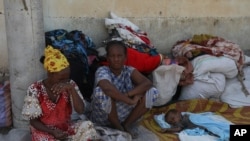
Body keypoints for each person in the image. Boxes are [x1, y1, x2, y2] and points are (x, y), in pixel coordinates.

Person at [22, 45, 99, 141]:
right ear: (50, 73)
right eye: (61, 79)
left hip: (65, 128)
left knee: (87, 126)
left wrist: (72, 89)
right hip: (44, 131)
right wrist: (52, 132)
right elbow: (33, 121)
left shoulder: (70, 84)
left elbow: (80, 110)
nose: (64, 81)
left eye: (67, 78)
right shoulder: (35, 89)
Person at [89, 40, 159, 138]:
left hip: (123, 113)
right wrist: (129, 101)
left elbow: (147, 83)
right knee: (101, 92)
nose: (116, 59)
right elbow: (106, 88)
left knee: (152, 91)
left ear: (125, 58)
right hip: (104, 116)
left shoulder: (129, 70)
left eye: (119, 56)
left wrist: (129, 94)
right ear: (107, 58)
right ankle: (119, 128)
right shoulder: (102, 70)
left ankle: (126, 124)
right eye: (112, 56)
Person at [162, 109, 231, 141]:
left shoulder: (186, 117)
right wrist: (169, 128)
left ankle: (227, 133)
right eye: (170, 122)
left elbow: (178, 129)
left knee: (213, 126)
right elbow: (178, 128)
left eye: (173, 118)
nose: (173, 121)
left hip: (198, 121)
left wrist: (168, 129)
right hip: (200, 126)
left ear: (179, 114)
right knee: (213, 130)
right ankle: (226, 134)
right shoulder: (179, 123)